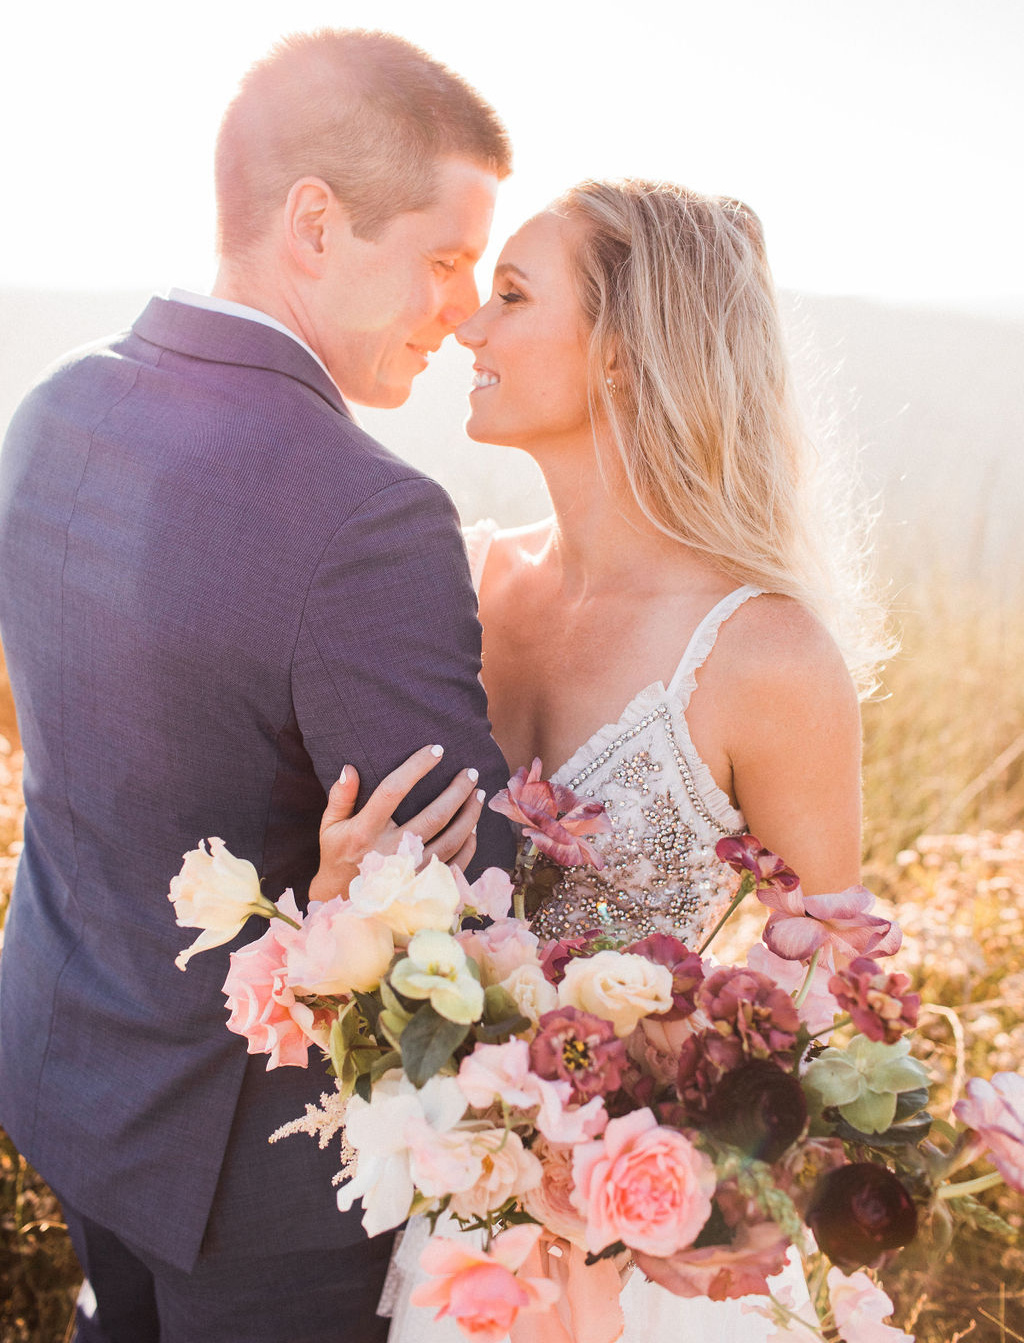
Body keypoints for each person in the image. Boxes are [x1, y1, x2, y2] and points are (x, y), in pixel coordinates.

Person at [0, 29, 517, 1343]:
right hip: (264, 1181)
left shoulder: (53, 405)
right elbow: (471, 889)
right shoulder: (369, 515)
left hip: (65, 1070)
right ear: (317, 224)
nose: (462, 311)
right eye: (445, 259)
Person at [325, 179, 888, 1341]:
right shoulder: (455, 583)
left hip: (647, 1242)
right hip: (444, 1199)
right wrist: (347, 895)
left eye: (513, 296)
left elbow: (828, 996)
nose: (468, 328)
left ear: (625, 354)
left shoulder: (763, 654)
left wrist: (690, 1176)